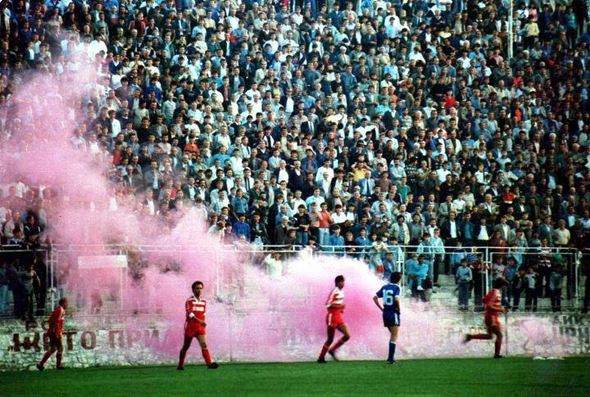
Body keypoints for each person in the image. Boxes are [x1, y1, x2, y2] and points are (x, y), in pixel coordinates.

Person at [177, 281, 219, 370]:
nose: (199, 290)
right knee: (186, 346)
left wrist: (203, 323)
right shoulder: (189, 301)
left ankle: (209, 364)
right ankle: (180, 365)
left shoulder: (204, 301)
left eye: (200, 288)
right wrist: (200, 321)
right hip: (190, 327)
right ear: (193, 289)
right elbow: (190, 314)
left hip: (200, 327)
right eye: (197, 288)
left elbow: (203, 314)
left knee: (204, 345)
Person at [464, 278, 507, 358]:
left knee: (489, 336)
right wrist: (500, 309)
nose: (504, 287)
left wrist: (497, 306)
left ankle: (470, 336)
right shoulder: (496, 293)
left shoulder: (492, 291)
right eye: (504, 285)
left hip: (489, 316)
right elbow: (489, 305)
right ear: (501, 285)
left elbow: (484, 300)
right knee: (499, 335)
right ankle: (497, 355)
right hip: (492, 317)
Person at [318, 275, 350, 363]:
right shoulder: (334, 291)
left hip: (338, 316)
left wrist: (341, 309)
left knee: (347, 335)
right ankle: (321, 358)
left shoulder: (342, 292)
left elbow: (338, 303)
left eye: (343, 281)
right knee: (330, 339)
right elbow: (327, 304)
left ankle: (332, 350)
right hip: (332, 317)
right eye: (341, 282)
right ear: (337, 283)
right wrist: (340, 306)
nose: (343, 283)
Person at [373, 272, 402, 364]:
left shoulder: (385, 287)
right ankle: (390, 358)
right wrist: (398, 310)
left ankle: (392, 356)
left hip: (385, 313)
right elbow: (396, 300)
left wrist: (381, 308)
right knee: (394, 336)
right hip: (393, 312)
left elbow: (374, 297)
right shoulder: (397, 288)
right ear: (398, 279)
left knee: (393, 335)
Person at [37, 297, 68, 370]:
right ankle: (58, 366)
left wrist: (51, 331)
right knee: (60, 348)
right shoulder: (61, 310)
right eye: (66, 303)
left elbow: (51, 320)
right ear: (63, 303)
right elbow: (56, 322)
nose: (67, 305)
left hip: (53, 332)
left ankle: (41, 364)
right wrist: (56, 332)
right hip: (55, 332)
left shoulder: (58, 310)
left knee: (53, 348)